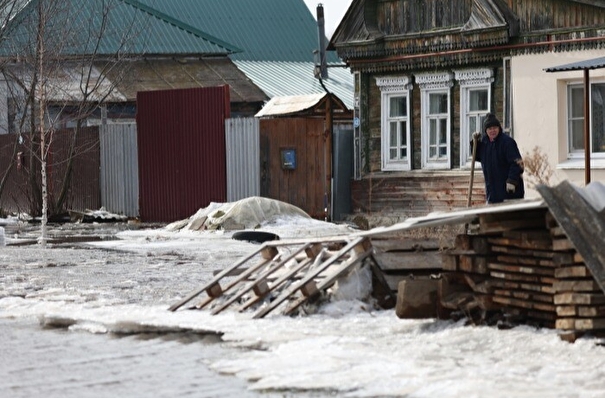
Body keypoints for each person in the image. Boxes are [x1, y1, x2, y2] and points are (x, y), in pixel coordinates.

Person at [471, 113, 525, 204]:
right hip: (492, 192)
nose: (492, 131)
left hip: (509, 192)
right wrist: (475, 143)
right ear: (486, 130)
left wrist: (512, 180)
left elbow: (517, 163)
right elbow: (478, 157)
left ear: (499, 128)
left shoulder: (507, 143)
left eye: (495, 128)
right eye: (489, 129)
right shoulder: (485, 143)